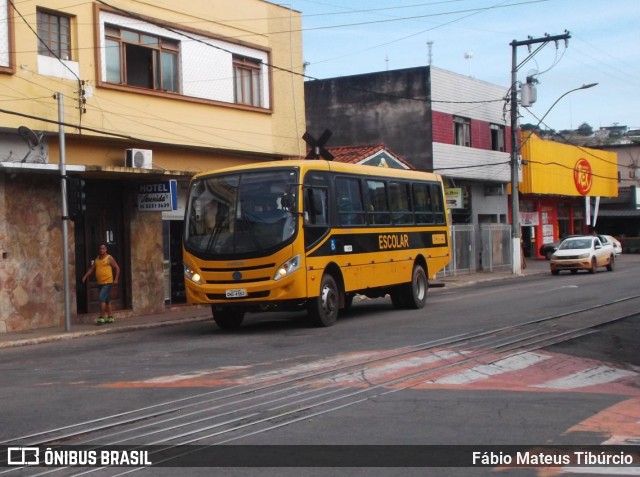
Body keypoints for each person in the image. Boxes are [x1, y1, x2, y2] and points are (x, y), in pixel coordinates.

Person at [82, 243, 120, 325]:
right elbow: (92, 269)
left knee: (101, 298)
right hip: (100, 282)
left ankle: (102, 317)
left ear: (106, 249)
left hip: (108, 282)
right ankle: (110, 317)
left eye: (103, 248)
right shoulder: (97, 259)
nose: (101, 250)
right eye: (100, 249)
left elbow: (117, 268)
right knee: (107, 300)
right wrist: (85, 276)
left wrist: (116, 279)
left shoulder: (109, 258)